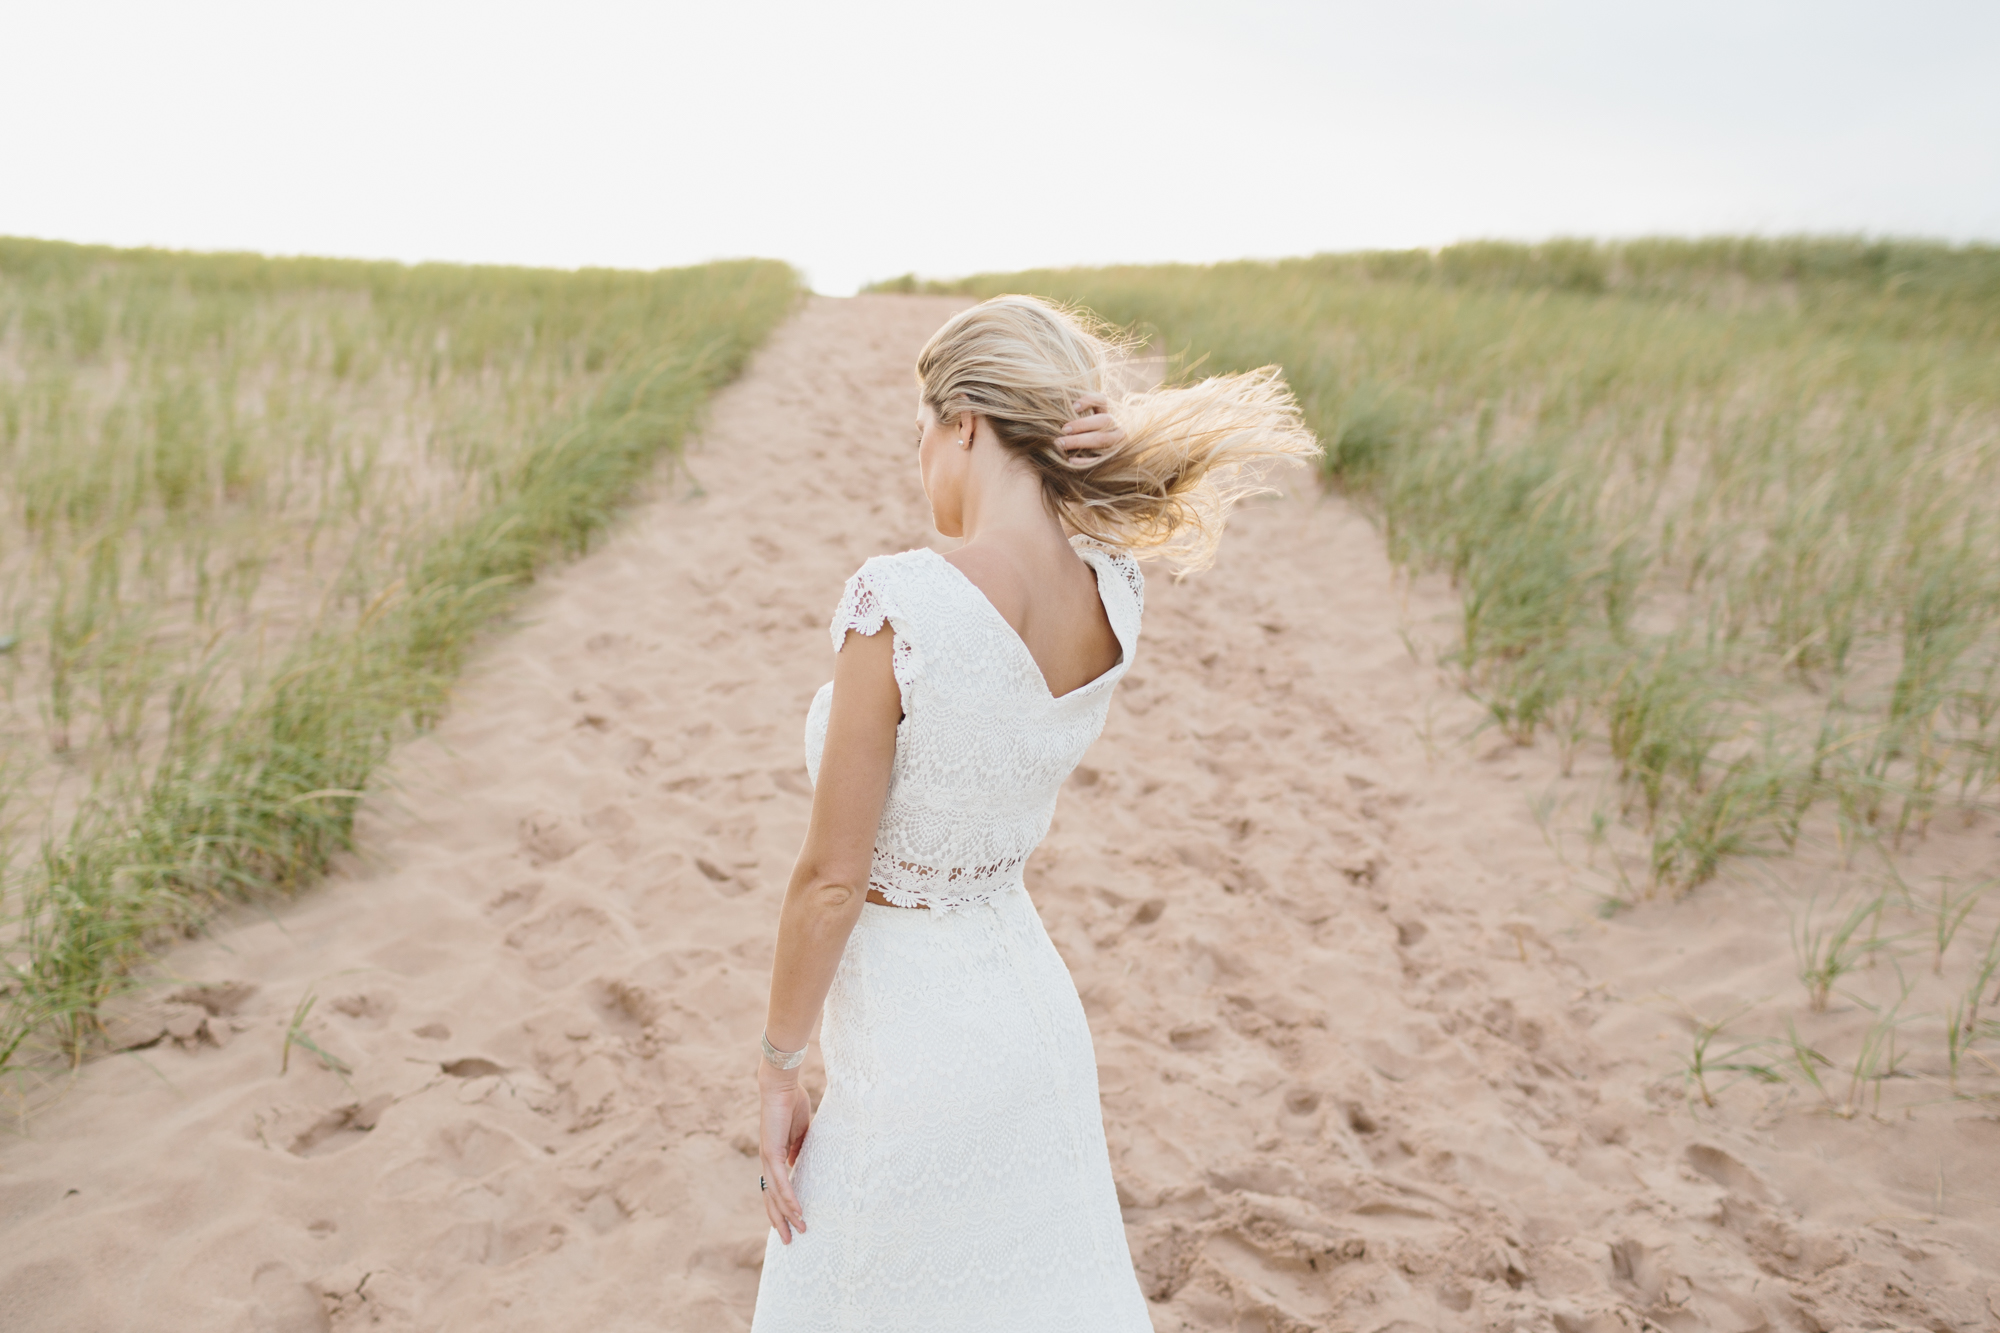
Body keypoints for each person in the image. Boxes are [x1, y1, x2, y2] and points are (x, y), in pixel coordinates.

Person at [749, 295, 1319, 1331]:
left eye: (920, 427)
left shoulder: (901, 599)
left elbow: (831, 880)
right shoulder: (1111, 591)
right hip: (1028, 1019)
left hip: (915, 1039)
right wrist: (1126, 430)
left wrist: (778, 1066)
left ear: (963, 421)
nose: (918, 453)